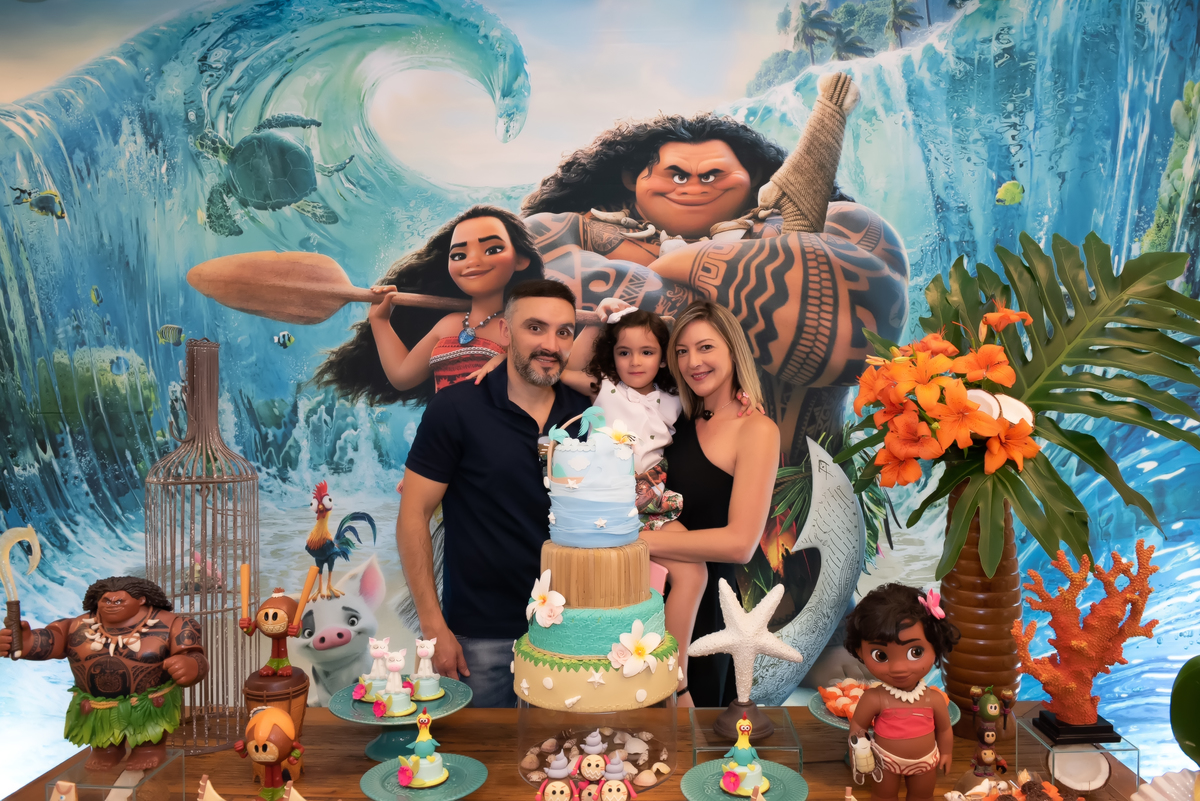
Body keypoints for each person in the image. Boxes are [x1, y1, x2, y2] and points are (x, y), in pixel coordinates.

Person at [395, 279, 591, 707]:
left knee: (565, 750)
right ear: (505, 331)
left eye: (563, 332)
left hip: (572, 634)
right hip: (479, 638)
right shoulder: (456, 408)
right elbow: (413, 514)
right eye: (535, 328)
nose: (551, 344)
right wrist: (433, 626)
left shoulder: (587, 417)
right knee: (478, 748)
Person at [638, 301, 781, 708]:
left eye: (705, 347)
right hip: (640, 604)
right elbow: (598, 370)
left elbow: (740, 544)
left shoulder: (756, 429)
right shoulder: (674, 416)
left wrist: (639, 541)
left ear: (733, 350)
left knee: (688, 744)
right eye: (681, 351)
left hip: (702, 623)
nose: (692, 362)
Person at [312, 204, 545, 408]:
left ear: (521, 260)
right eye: (459, 255)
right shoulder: (448, 324)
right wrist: (380, 321)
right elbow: (402, 377)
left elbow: (545, 378)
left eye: (492, 249)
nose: (473, 261)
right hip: (439, 435)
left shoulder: (522, 326)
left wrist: (505, 362)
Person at [845, 584, 959, 797]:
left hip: (925, 762)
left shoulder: (934, 699)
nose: (898, 668)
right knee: (883, 797)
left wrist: (946, 753)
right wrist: (858, 753)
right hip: (885, 761)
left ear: (936, 646)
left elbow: (944, 730)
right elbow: (858, 727)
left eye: (915, 652)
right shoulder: (874, 698)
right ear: (860, 651)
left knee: (922, 796)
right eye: (881, 655)